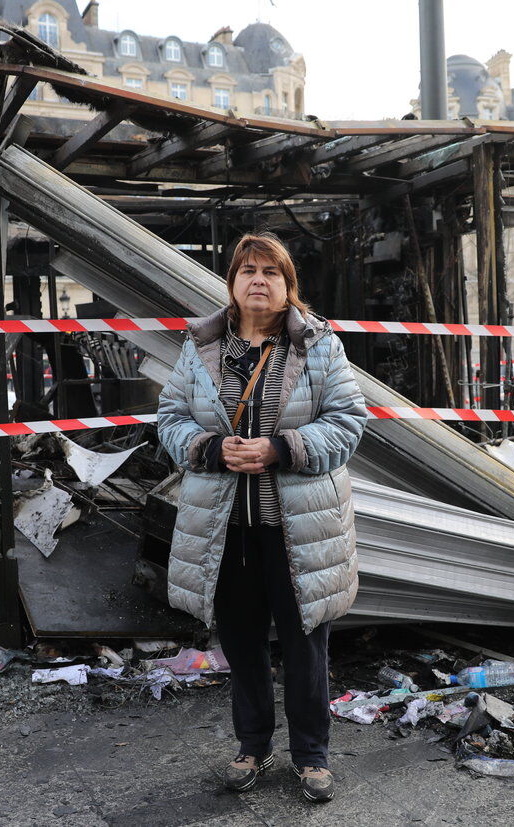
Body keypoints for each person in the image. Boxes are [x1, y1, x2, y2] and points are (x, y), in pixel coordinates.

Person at [156, 232, 367, 803]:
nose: (258, 280)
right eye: (247, 270)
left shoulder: (319, 347)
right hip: (225, 528)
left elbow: (348, 422)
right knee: (242, 643)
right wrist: (207, 448)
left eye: (271, 273)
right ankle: (252, 745)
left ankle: (312, 756)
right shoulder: (201, 348)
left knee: (306, 645)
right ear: (231, 282)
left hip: (301, 528)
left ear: (287, 286)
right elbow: (170, 418)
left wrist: (281, 448)